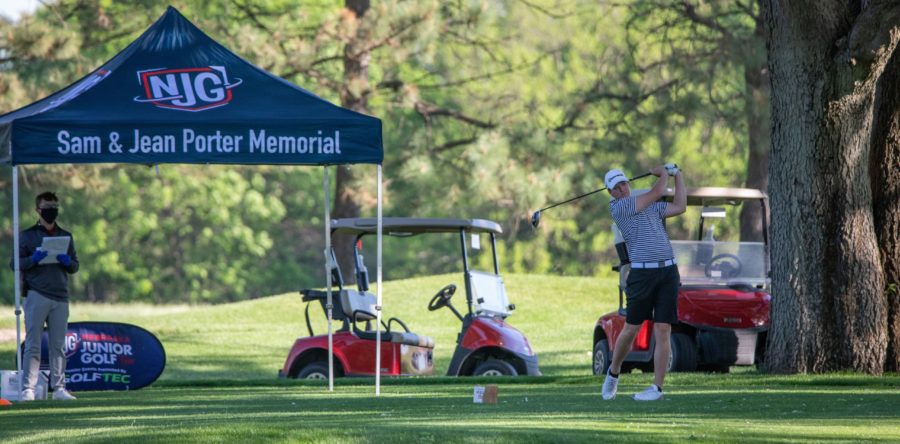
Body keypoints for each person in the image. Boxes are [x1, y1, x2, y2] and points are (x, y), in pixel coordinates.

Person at [601, 163, 685, 401]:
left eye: (624, 184)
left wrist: (677, 176)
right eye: (616, 187)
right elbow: (658, 191)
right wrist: (662, 173)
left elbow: (680, 206)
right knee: (632, 328)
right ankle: (614, 372)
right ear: (611, 193)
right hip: (641, 274)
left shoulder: (647, 205)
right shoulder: (620, 207)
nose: (622, 189)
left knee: (663, 328)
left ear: (628, 183)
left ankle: (657, 388)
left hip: (668, 271)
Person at [10, 191, 79, 401]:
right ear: (37, 210)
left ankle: (59, 388)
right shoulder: (27, 235)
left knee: (58, 345)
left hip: (60, 296)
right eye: (47, 206)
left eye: (54, 206)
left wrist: (67, 261)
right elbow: (15, 264)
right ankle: (28, 389)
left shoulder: (65, 235)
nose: (51, 210)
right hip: (36, 295)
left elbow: (75, 266)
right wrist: (33, 259)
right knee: (33, 343)